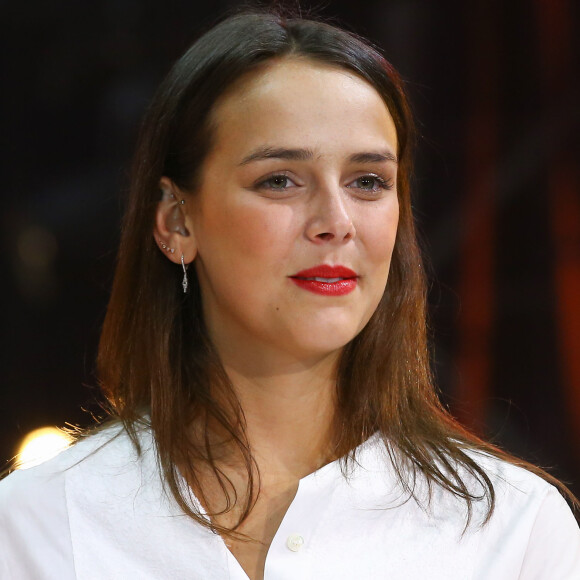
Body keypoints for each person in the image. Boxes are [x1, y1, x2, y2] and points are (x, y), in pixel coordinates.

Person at [1, 9, 579, 580]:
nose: (336, 221)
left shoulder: (512, 529)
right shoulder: (38, 525)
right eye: (280, 180)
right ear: (177, 222)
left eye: (368, 182)